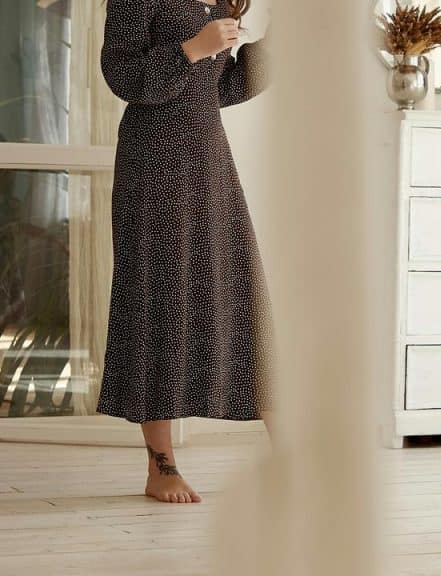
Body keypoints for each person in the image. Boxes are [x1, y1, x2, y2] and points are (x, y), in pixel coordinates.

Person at [97, 0, 272, 504]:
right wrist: (192, 49)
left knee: (242, 297)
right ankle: (161, 465)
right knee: (158, 301)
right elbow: (123, 76)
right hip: (153, 161)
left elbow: (224, 89)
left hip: (208, 160)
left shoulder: (217, 0)